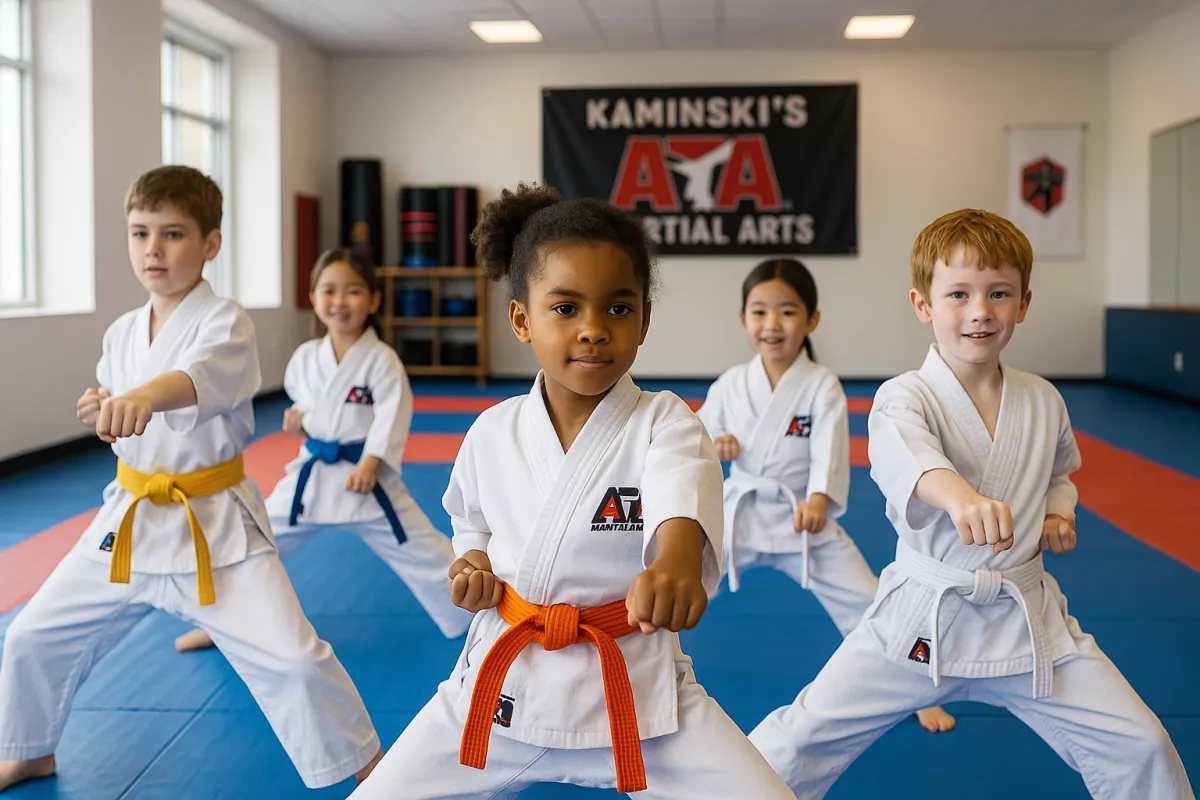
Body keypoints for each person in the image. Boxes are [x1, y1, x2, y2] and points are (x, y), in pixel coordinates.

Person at [349, 183, 793, 798]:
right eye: (565, 309)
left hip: (640, 703)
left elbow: (679, 505)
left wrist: (675, 563)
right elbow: (472, 522)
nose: (593, 330)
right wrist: (472, 563)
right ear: (521, 319)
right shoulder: (492, 431)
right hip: (503, 691)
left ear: (643, 321)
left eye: (617, 308)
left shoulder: (667, 422)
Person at [747, 209, 1194, 798]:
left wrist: (1059, 513)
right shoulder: (902, 396)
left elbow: (1059, 471)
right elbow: (908, 458)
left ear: (1023, 303)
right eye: (958, 293)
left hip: (1026, 623)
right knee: (798, 741)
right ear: (923, 304)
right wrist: (960, 499)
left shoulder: (1043, 400)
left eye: (998, 293)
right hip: (919, 617)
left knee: (1142, 746)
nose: (980, 311)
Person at [0, 166, 382, 792]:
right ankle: (28, 748)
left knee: (292, 659)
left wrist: (144, 396)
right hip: (128, 518)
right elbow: (122, 401)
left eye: (172, 234)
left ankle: (367, 765)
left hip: (213, 523)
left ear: (210, 244)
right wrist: (104, 407)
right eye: (140, 232)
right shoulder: (123, 331)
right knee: (33, 634)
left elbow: (195, 378)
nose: (153, 249)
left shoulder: (226, 322)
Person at [697, 257, 955, 734]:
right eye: (759, 311)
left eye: (787, 311)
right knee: (676, 581)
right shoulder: (733, 384)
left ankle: (918, 689)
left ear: (811, 319)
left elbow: (829, 451)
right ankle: (630, 672)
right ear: (742, 319)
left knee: (870, 600)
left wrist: (819, 498)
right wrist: (717, 444)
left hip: (803, 517)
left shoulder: (821, 386)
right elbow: (701, 435)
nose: (772, 324)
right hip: (742, 515)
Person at [173, 248, 471, 653]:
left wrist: (370, 462)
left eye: (352, 291)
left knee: (427, 552)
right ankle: (222, 623)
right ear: (313, 298)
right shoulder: (305, 359)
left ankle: (479, 616)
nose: (340, 301)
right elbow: (309, 409)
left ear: (374, 300)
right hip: (311, 481)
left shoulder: (382, 361)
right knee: (254, 543)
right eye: (329, 290)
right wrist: (301, 423)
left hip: (366, 484)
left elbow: (392, 415)